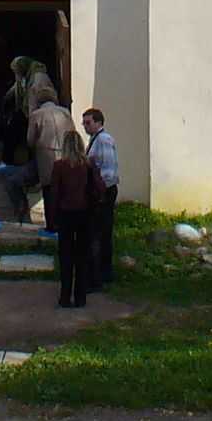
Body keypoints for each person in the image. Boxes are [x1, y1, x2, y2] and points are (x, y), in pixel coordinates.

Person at [46, 131, 96, 308]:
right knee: (82, 257)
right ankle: (80, 297)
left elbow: (54, 193)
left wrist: (52, 219)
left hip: (65, 213)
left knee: (66, 257)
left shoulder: (59, 166)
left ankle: (65, 296)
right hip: (84, 213)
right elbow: (97, 188)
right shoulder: (88, 165)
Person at [25, 77, 73, 220]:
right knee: (64, 188)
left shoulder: (36, 115)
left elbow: (30, 140)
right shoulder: (65, 112)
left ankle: (51, 225)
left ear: (39, 101)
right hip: (66, 154)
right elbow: (73, 133)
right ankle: (65, 221)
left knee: (49, 190)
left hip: (46, 156)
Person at [82, 107, 119, 290]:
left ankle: (100, 274)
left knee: (99, 233)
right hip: (101, 191)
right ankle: (103, 272)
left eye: (88, 123)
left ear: (98, 122)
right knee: (100, 233)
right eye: (84, 123)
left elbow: (108, 170)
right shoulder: (95, 139)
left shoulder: (103, 140)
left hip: (104, 192)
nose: (85, 126)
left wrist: (100, 191)